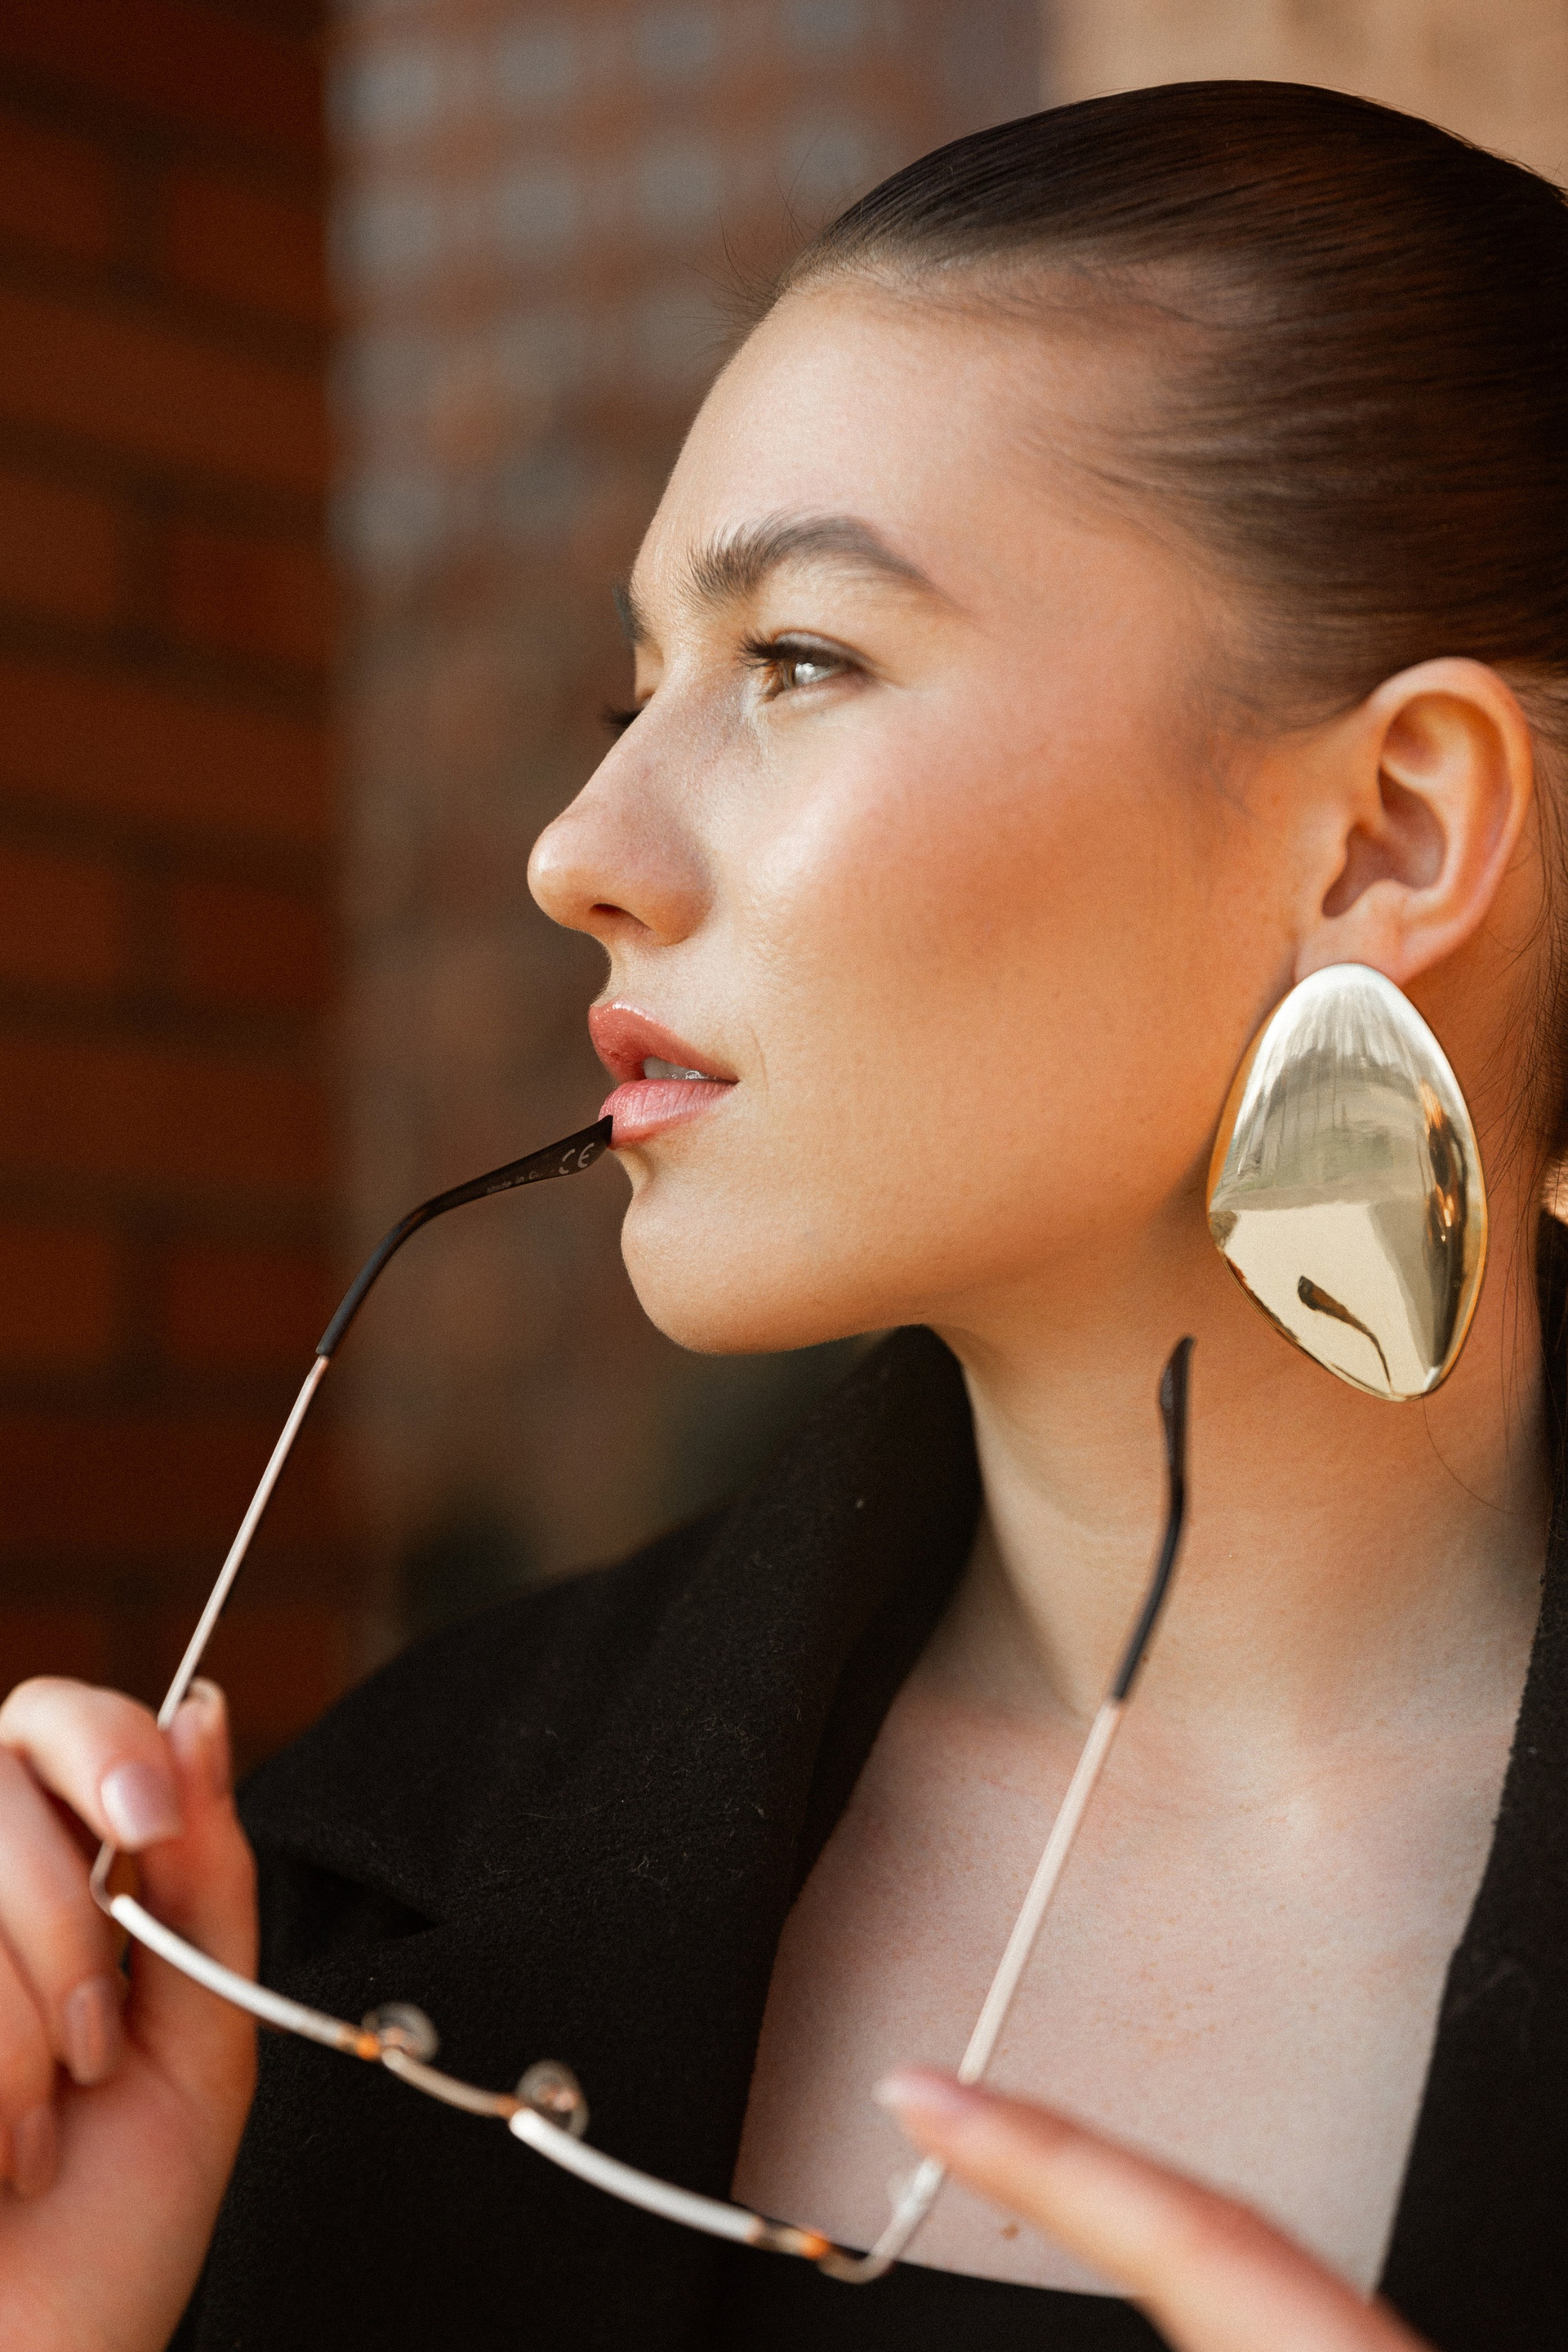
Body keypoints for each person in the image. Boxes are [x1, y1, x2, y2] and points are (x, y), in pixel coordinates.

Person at [0, 78, 1564, 2352]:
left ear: (1391, 833)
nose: (576, 850)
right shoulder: (305, 1922)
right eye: (635, 685)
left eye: (800, 660)